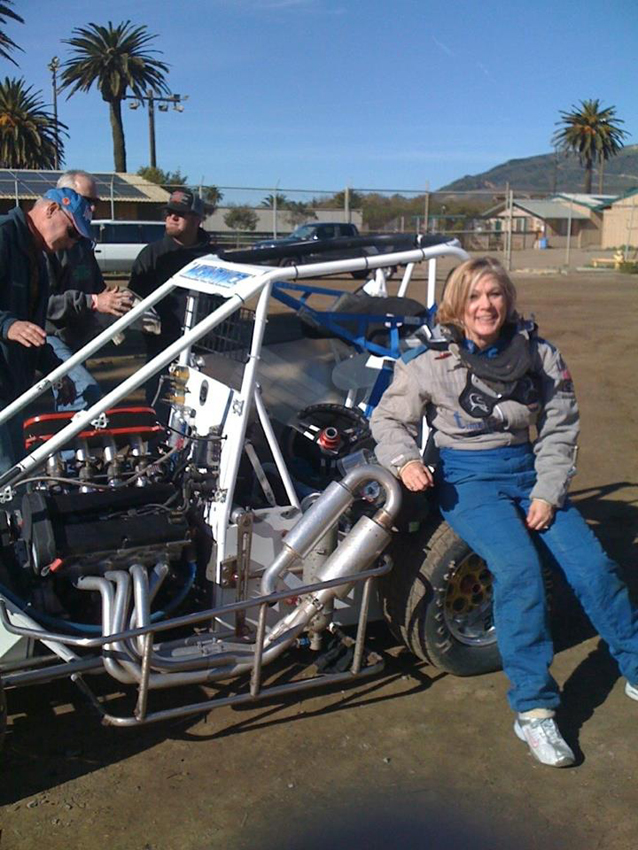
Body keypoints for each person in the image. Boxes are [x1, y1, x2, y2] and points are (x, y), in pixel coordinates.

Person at [370, 256, 638, 769]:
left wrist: (548, 491)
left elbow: (560, 426)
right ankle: (534, 710)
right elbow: (387, 420)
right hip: (468, 481)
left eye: (494, 294)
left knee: (595, 569)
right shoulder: (429, 360)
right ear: (457, 305)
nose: (485, 305)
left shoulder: (538, 354)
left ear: (508, 300)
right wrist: (405, 462)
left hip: (529, 471)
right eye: (474, 296)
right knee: (520, 573)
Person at [0, 188, 93, 471]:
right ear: (51, 209)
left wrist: (55, 370)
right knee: (7, 478)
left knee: (16, 475)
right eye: (72, 232)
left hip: (11, 391)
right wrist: (7, 325)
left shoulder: (38, 259)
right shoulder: (4, 236)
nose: (71, 243)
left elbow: (33, 330)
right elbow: (17, 326)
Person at [45, 170, 133, 410]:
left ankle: (67, 435)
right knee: (85, 395)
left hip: (75, 337)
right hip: (50, 336)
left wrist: (115, 301)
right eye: (86, 201)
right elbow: (43, 304)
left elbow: (96, 287)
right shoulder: (49, 245)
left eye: (95, 203)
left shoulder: (83, 244)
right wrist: (93, 301)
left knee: (70, 400)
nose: (91, 209)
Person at [128, 189, 212, 413]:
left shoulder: (215, 257)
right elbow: (135, 300)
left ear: (197, 219)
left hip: (206, 355)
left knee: (204, 415)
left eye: (180, 214)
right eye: (169, 213)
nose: (172, 217)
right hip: (162, 353)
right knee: (161, 412)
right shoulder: (152, 255)